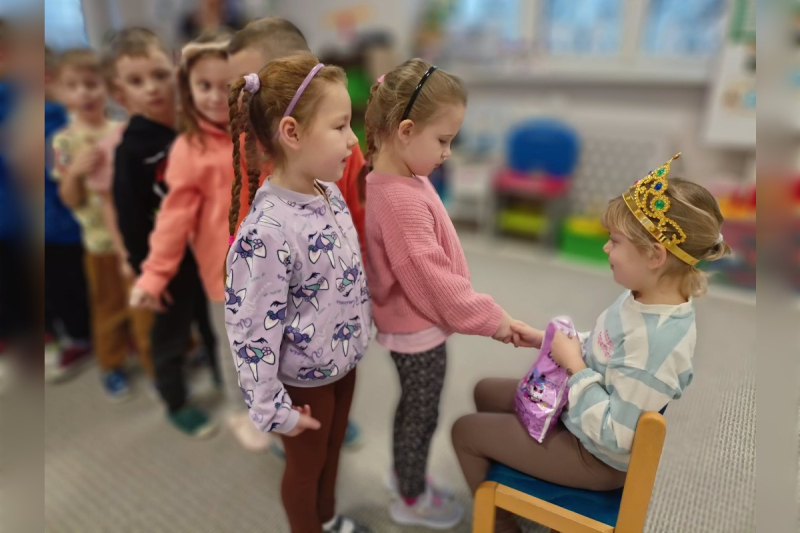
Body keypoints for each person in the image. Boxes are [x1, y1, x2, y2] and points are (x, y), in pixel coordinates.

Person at [451, 156, 731, 533]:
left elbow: (616, 438)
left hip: (595, 457)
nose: (605, 248)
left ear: (655, 255)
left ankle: (502, 523)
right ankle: (519, 477)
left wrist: (575, 368)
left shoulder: (656, 345)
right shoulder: (644, 295)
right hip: (581, 413)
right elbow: (606, 348)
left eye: (614, 241)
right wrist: (549, 340)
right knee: (485, 391)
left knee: (465, 432)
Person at [362, 58, 522, 529]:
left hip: (415, 324)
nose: (448, 153)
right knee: (421, 413)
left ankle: (405, 476)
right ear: (406, 131)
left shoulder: (399, 177)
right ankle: (410, 496)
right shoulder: (400, 199)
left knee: (415, 409)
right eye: (443, 140)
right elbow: (435, 284)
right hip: (416, 332)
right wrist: (496, 321)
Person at [225, 54, 372, 533]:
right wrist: (272, 408)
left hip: (341, 360)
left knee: (332, 451)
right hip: (302, 382)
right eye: (341, 126)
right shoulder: (267, 231)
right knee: (305, 470)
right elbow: (250, 333)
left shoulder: (328, 192)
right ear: (292, 132)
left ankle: (326, 520)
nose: (353, 139)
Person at [105, 27, 218, 436]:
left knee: (214, 322)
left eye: (159, 75)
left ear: (176, 74)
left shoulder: (195, 124)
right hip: (168, 262)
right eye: (137, 81)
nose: (152, 88)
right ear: (121, 95)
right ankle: (175, 400)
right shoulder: (131, 150)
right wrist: (146, 271)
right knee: (171, 332)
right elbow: (130, 217)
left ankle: (223, 374)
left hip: (208, 251)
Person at [50, 48, 152, 400]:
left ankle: (154, 361)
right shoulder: (63, 142)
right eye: (73, 86)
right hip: (99, 244)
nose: (84, 93)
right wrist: (75, 173)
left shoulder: (122, 130)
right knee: (108, 308)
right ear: (60, 93)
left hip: (135, 239)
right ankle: (111, 364)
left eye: (92, 84)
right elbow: (69, 199)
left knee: (145, 306)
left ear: (107, 88)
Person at [42, 47, 92, 382]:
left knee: (85, 284)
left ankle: (87, 336)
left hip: (76, 223)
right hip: (48, 223)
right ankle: (77, 337)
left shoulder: (63, 123)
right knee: (61, 286)